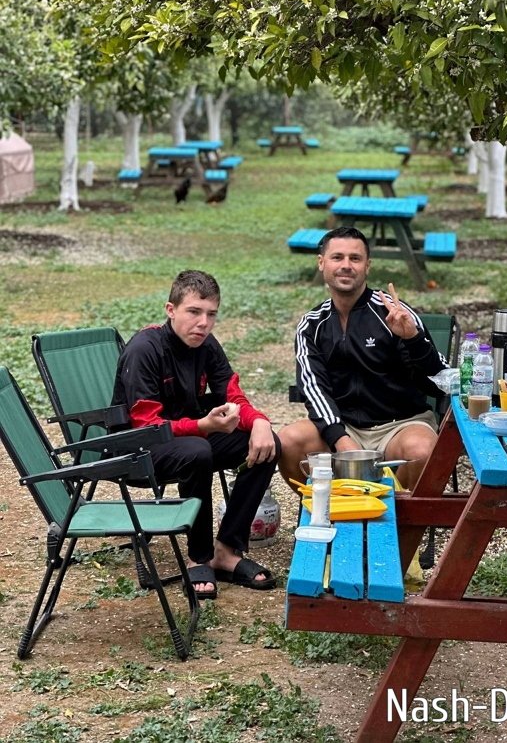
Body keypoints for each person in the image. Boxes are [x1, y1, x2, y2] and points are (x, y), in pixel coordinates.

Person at [112, 270, 279, 599]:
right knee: (197, 450)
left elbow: (233, 397)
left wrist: (260, 422)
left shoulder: (207, 345)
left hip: (190, 439)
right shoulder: (145, 349)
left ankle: (227, 551)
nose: (203, 323)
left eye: (211, 314)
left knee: (270, 444)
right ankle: (197, 557)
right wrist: (203, 426)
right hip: (138, 451)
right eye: (193, 312)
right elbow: (146, 427)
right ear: (170, 310)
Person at [278, 226, 449, 490]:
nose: (346, 265)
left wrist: (413, 339)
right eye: (337, 257)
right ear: (321, 263)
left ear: (367, 266)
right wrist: (341, 439)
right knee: (288, 441)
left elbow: (440, 381)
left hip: (401, 425)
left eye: (355, 259)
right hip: (342, 425)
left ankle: (401, 530)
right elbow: (314, 390)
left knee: (422, 452)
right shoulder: (312, 325)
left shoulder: (395, 313)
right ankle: (327, 516)